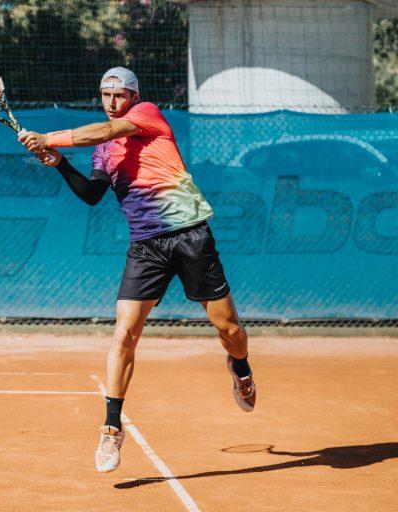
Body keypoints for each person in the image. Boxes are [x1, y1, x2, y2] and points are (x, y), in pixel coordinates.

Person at [18, 67, 256, 474]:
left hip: (190, 236)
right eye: (105, 95)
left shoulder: (147, 115)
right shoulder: (104, 151)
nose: (112, 102)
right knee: (125, 333)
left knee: (230, 329)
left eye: (119, 95)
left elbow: (107, 130)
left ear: (134, 97)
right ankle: (111, 427)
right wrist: (60, 163)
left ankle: (240, 367)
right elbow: (92, 194)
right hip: (146, 246)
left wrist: (50, 138)